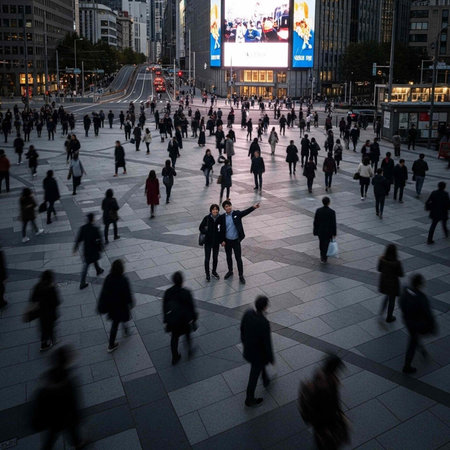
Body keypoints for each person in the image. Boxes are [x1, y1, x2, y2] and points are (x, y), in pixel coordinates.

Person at [31, 346, 85, 449]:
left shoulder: (47, 378)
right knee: (71, 430)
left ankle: (76, 443)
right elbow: (73, 402)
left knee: (52, 434)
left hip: (52, 418)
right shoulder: (67, 381)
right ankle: (78, 444)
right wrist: (78, 416)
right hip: (66, 416)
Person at [298, 355, 349, 450]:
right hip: (324, 424)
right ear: (333, 369)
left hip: (324, 422)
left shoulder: (322, 377)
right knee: (325, 444)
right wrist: (325, 428)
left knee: (324, 442)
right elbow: (324, 409)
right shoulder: (324, 387)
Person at [240, 295, 274, 407]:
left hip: (248, 350)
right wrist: (271, 357)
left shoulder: (248, 313)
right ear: (264, 307)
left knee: (260, 366)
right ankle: (249, 398)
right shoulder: (264, 323)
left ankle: (265, 379)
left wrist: (244, 341)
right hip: (258, 354)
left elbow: (242, 329)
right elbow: (267, 343)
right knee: (254, 375)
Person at [400, 274, 436, 374]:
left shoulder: (405, 291)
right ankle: (407, 366)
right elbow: (428, 313)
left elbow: (401, 304)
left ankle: (421, 349)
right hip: (417, 324)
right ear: (419, 284)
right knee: (412, 342)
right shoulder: (421, 298)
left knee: (413, 337)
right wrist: (433, 326)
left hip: (408, 321)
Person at [220, 200, 260, 284]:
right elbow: (220, 230)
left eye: (229, 206)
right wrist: (222, 240)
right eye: (226, 206)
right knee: (228, 257)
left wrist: (253, 207)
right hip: (227, 241)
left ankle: (241, 275)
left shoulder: (236, 214)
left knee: (238, 258)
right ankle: (230, 271)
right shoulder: (222, 217)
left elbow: (245, 212)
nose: (228, 207)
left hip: (236, 241)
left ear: (231, 206)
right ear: (224, 208)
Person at [97, 259, 133, 352]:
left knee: (116, 322)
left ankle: (120, 336)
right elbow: (128, 294)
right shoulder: (123, 279)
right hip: (122, 306)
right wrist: (131, 302)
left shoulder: (108, 278)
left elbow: (104, 293)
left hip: (112, 306)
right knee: (121, 320)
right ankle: (111, 344)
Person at [163, 271, 198, 365]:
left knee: (174, 338)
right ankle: (189, 350)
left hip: (173, 321)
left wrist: (166, 321)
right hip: (184, 321)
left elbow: (165, 308)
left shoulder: (168, 292)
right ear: (182, 281)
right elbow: (192, 308)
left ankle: (175, 356)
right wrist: (194, 320)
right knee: (187, 335)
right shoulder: (186, 293)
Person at [30, 270, 60, 351]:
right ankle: (53, 340)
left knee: (44, 329)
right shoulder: (51, 288)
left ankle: (44, 343)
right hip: (50, 313)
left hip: (41, 314)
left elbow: (32, 299)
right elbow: (57, 302)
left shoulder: (37, 286)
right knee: (51, 327)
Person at [74, 213, 104, 290]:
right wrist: (101, 248)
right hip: (94, 250)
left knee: (92, 261)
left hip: (87, 250)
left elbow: (78, 239)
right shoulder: (95, 229)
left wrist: (75, 248)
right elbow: (100, 240)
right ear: (93, 219)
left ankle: (98, 270)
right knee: (87, 266)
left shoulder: (83, 228)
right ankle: (82, 283)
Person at [378, 244, 404, 323]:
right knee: (392, 299)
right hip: (393, 283)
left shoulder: (381, 259)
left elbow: (379, 269)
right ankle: (389, 317)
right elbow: (401, 274)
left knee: (387, 296)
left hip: (384, 281)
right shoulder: (397, 263)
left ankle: (382, 311)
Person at [199, 204, 222, 281]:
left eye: (216, 209)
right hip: (208, 242)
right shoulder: (207, 218)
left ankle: (214, 271)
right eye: (213, 209)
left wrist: (222, 240)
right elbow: (201, 227)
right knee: (207, 259)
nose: (215, 211)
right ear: (211, 210)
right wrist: (207, 232)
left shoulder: (220, 218)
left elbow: (223, 230)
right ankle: (207, 274)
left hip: (216, 242)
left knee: (215, 258)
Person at [313, 196, 337, 264]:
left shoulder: (318, 210)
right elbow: (333, 224)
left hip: (320, 231)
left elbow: (315, 222)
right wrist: (334, 233)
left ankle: (322, 255)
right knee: (326, 244)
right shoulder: (332, 212)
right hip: (328, 232)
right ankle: (325, 257)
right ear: (329, 203)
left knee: (321, 243)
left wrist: (315, 231)